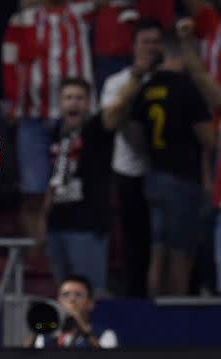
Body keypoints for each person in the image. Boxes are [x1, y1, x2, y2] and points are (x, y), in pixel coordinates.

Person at [128, 33, 215, 296]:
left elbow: (134, 134)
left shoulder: (146, 87)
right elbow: (208, 138)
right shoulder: (187, 87)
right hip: (184, 179)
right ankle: (176, 320)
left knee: (158, 251)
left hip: (154, 176)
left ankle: (155, 320)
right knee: (181, 254)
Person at [2, 0, 95, 241]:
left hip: (72, 118)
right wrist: (13, 102)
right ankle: (35, 256)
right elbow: (10, 61)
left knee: (70, 192)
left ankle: (59, 251)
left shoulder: (81, 13)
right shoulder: (23, 19)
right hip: (32, 116)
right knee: (33, 192)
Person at [100, 18, 164, 297]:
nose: (151, 48)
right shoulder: (119, 81)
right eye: (145, 42)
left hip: (165, 170)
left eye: (156, 42)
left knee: (164, 243)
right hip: (128, 169)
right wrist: (137, 79)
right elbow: (109, 122)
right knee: (133, 240)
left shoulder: (171, 77)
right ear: (134, 45)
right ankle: (134, 298)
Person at [39, 77, 114, 295]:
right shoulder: (56, 132)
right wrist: (44, 219)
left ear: (89, 103)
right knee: (64, 294)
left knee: (90, 293)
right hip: (58, 225)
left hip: (88, 226)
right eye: (68, 98)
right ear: (60, 103)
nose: (74, 103)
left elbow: (112, 116)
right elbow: (53, 179)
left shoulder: (98, 129)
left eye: (80, 98)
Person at [25, 274, 118, 349]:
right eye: (65, 294)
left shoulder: (105, 334)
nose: (71, 299)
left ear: (90, 303)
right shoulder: (46, 335)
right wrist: (38, 326)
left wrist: (82, 326)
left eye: (78, 295)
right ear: (59, 301)